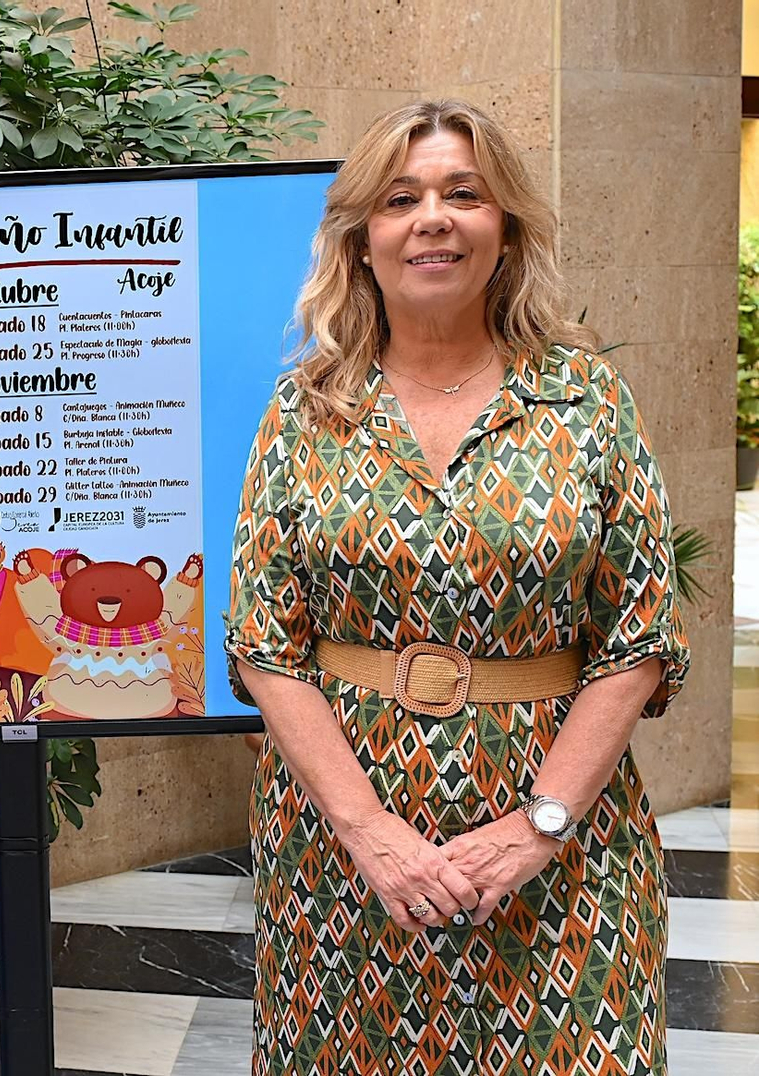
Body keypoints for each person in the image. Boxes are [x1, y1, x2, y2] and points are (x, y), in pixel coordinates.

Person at [225, 99, 689, 1075]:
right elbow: (265, 642)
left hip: (561, 851)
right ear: (360, 238)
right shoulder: (305, 410)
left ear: (505, 226)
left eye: (462, 194)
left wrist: (538, 825)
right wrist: (370, 831)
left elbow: (639, 633)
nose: (431, 217)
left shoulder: (584, 400)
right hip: (341, 858)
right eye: (401, 198)